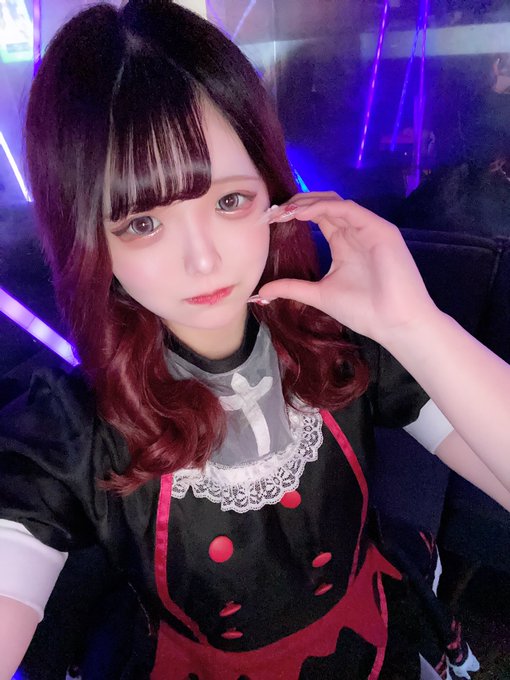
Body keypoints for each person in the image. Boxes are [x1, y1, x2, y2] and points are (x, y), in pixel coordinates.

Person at [0, 2, 509, 678]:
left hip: (368, 642)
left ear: (272, 189)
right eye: (143, 222)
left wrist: (415, 325)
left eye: (229, 201)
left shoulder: (342, 343)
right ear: (91, 239)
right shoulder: (72, 429)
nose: (203, 260)